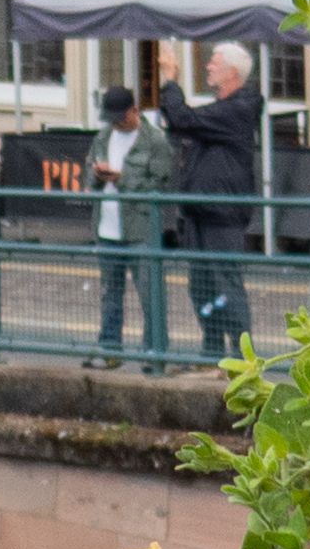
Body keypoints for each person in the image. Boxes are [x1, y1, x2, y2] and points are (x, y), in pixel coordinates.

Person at [168, 40, 269, 353]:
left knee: (226, 282)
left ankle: (242, 355)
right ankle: (212, 347)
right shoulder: (221, 111)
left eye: (214, 62)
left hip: (222, 213)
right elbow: (183, 123)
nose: (208, 67)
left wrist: (171, 80)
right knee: (200, 286)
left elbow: (182, 118)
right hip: (199, 210)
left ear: (232, 73)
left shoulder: (238, 110)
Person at [99, 84, 176, 351]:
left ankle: (154, 350)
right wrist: (96, 175)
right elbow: (90, 168)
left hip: (141, 229)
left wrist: (122, 179)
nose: (116, 125)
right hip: (107, 228)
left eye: (120, 118)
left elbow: (160, 184)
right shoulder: (103, 136)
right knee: (110, 294)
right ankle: (109, 348)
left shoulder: (155, 140)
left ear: (134, 111)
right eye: (111, 120)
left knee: (150, 294)